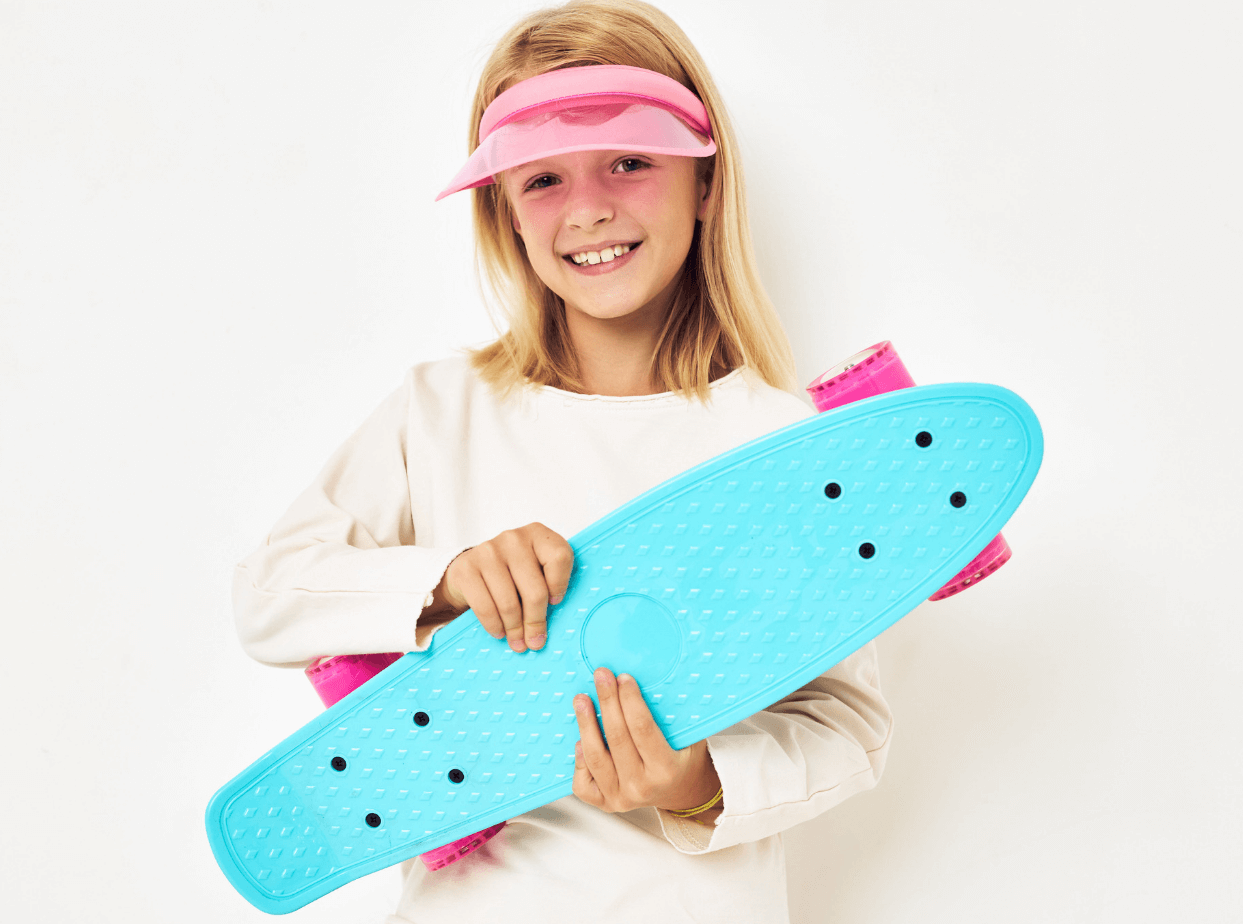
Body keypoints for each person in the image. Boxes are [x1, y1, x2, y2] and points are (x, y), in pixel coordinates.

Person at [231, 2, 892, 921]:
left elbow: (848, 727)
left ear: (706, 182)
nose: (588, 208)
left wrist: (698, 782)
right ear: (504, 211)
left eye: (630, 161)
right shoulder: (441, 410)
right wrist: (446, 580)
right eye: (542, 178)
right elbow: (268, 595)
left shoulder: (784, 442)